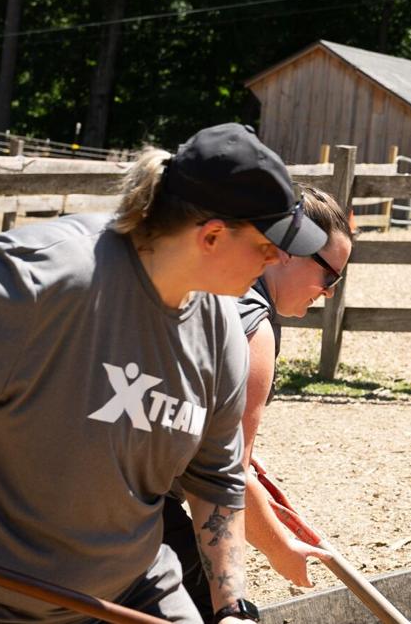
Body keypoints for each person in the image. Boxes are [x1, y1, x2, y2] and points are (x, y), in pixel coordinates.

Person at [0, 123, 329, 623]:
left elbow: (216, 479)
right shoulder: (51, 275)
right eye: (267, 244)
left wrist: (232, 608)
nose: (279, 258)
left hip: (121, 591)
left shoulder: (222, 336)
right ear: (211, 235)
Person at [163, 183, 353, 616]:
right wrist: (279, 547)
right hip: (131, 504)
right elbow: (225, 471)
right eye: (330, 276)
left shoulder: (197, 284)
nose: (329, 292)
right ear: (289, 250)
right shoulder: (252, 327)